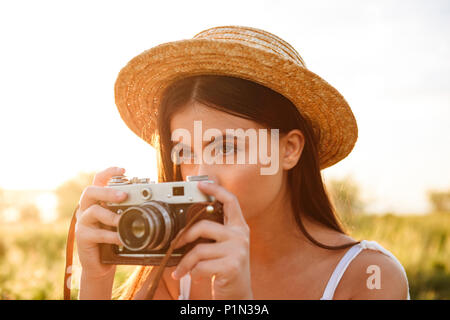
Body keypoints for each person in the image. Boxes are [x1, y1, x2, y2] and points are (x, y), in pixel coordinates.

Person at [75, 26, 410, 300]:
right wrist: (95, 281)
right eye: (186, 153)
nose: (199, 175)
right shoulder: (173, 268)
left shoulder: (370, 277)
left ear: (289, 149)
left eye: (225, 147)